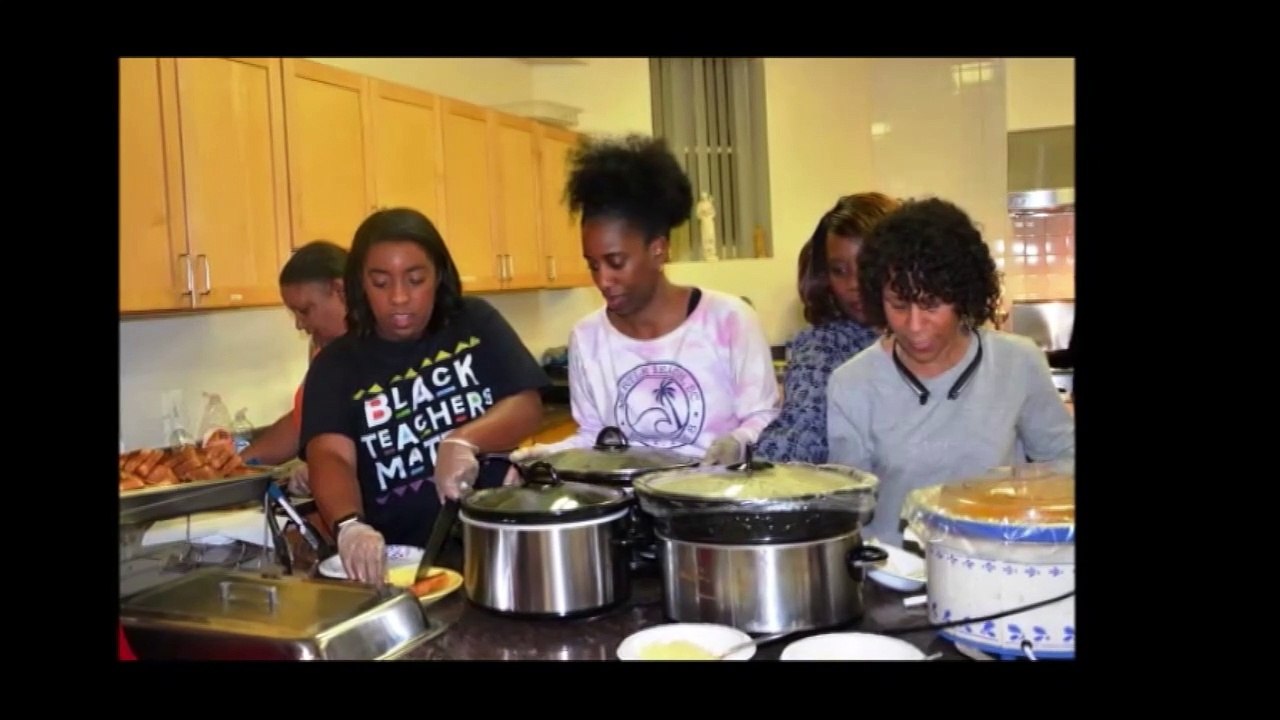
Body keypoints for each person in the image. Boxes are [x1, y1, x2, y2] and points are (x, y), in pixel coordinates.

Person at [300, 208, 548, 583]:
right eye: (381, 283)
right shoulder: (336, 365)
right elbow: (330, 455)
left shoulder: (474, 323)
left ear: (438, 276)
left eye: (415, 279)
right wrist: (349, 525)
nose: (399, 297)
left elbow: (526, 404)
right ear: (360, 285)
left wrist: (464, 441)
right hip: (404, 567)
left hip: (502, 547)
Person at [508, 135, 779, 473]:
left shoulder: (729, 320)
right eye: (593, 264)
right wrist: (551, 454)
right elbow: (594, 437)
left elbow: (762, 416)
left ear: (659, 250)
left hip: (715, 509)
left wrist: (738, 441)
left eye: (616, 261)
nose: (603, 279)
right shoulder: (588, 337)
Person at [826, 197, 1075, 544]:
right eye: (898, 305)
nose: (914, 325)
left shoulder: (1016, 363)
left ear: (963, 295)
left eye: (931, 305)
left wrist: (1026, 495)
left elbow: (1065, 460)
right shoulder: (852, 384)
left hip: (998, 561)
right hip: (896, 574)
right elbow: (849, 508)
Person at [755, 193, 900, 463]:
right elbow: (800, 429)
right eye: (839, 270)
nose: (853, 284)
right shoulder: (823, 346)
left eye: (866, 267)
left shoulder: (929, 338)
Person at [241, 241, 349, 498]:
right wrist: (238, 466)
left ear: (340, 290)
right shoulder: (324, 353)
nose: (300, 325)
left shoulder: (384, 350)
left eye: (304, 310)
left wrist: (325, 468)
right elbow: (302, 421)